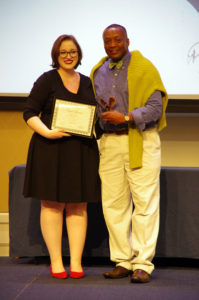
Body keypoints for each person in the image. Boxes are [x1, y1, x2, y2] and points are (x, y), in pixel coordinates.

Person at [90, 24, 168, 283]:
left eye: (117, 40)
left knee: (144, 204)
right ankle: (123, 260)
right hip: (110, 144)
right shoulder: (97, 71)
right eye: (107, 41)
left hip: (140, 141)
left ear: (127, 40)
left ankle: (143, 264)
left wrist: (126, 116)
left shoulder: (144, 68)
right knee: (113, 204)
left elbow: (155, 108)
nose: (112, 45)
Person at [23, 34, 101, 279]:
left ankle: (76, 263)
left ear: (79, 55)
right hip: (50, 149)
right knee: (52, 205)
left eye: (73, 52)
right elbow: (29, 112)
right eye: (63, 52)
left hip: (82, 152)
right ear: (56, 55)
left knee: (79, 205)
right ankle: (56, 262)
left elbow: (94, 118)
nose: (68, 56)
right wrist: (48, 132)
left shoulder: (89, 82)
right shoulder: (47, 80)